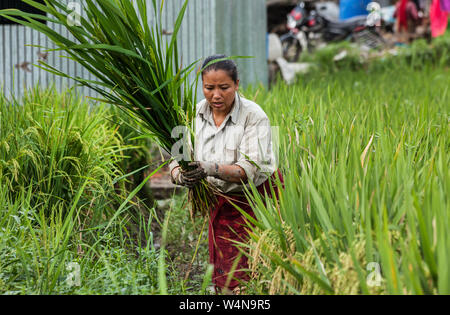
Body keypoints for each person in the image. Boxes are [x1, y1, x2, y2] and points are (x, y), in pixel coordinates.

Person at [169, 54, 283, 294]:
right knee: (222, 269)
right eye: (209, 88)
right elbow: (176, 158)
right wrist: (181, 175)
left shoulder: (254, 116)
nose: (216, 95)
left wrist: (208, 168)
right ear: (202, 86)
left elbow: (248, 170)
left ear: (237, 84)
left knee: (251, 268)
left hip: (256, 199)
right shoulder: (192, 114)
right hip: (220, 200)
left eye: (224, 87)